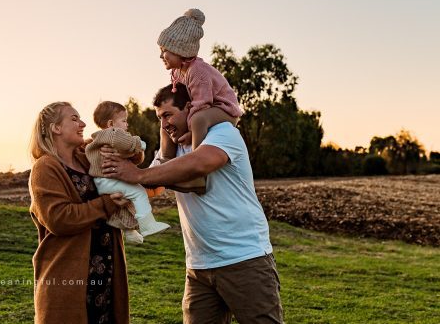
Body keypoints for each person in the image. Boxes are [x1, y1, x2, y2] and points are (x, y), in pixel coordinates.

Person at [102, 84, 283, 324]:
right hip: (199, 267)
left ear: (190, 108)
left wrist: (138, 175)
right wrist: (113, 185)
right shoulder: (172, 150)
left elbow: (199, 166)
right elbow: (152, 184)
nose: (164, 124)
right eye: (159, 118)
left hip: (244, 259)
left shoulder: (222, 133)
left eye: (168, 115)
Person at [28, 101, 130, 324]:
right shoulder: (46, 167)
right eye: (74, 119)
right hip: (69, 278)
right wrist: (106, 204)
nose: (83, 123)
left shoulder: (86, 160)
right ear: (56, 128)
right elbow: (58, 219)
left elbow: (131, 158)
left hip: (105, 271)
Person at [157, 8, 243, 161]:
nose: (160, 56)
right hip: (203, 109)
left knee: (198, 119)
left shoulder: (197, 71)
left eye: (164, 51)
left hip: (223, 109)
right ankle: (166, 161)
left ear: (180, 51)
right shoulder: (177, 72)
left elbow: (202, 104)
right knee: (166, 125)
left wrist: (191, 132)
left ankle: (193, 163)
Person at [86, 101, 169, 243]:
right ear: (111, 124)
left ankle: (129, 230)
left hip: (104, 182)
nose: (127, 125)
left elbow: (130, 155)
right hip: (108, 181)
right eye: (124, 121)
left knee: (126, 203)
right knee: (138, 192)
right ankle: (148, 225)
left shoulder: (102, 139)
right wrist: (139, 143)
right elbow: (128, 143)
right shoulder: (113, 134)